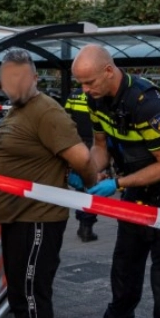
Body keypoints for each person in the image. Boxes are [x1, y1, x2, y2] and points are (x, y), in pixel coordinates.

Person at [67, 44, 160, 318]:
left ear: (109, 71)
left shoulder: (146, 102)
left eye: (89, 82)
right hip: (135, 188)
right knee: (124, 268)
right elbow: (101, 147)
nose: (84, 90)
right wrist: (88, 172)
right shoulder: (95, 99)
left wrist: (117, 184)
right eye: (80, 83)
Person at [0, 49, 97, 318]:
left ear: (34, 77)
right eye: (9, 78)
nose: (15, 84)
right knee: (21, 294)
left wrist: (89, 183)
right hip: (18, 218)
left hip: (37, 220)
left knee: (32, 295)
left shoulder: (46, 111)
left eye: (21, 77)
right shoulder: (19, 110)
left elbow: (82, 159)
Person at [64, 90, 99, 242]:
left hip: (77, 143)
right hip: (96, 143)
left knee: (80, 186)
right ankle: (87, 226)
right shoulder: (99, 95)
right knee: (93, 186)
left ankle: (82, 223)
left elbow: (66, 120)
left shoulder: (73, 95)